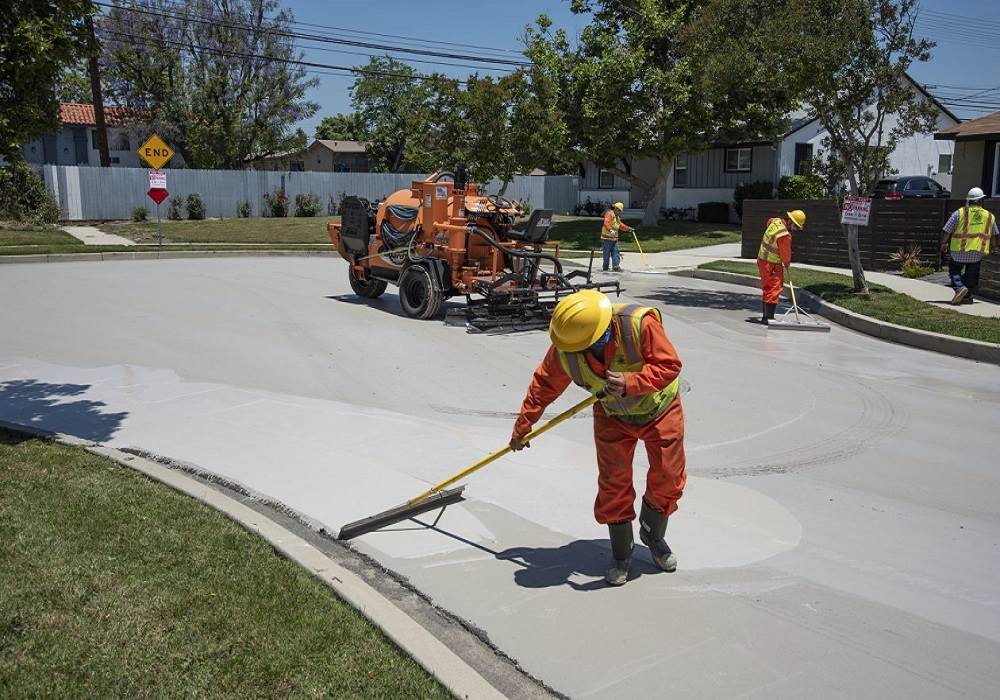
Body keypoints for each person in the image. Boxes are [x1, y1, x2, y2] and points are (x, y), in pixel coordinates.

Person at [509, 290, 685, 586]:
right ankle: (621, 553)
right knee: (613, 483)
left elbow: (670, 366)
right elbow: (544, 385)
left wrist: (632, 381)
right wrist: (524, 425)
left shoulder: (637, 325)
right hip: (612, 416)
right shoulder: (568, 344)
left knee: (668, 476)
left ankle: (652, 535)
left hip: (659, 410)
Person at [941, 187, 999, 305]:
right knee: (971, 275)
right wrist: (995, 247)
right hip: (978, 251)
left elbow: (947, 229)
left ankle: (959, 288)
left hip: (959, 250)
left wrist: (943, 243)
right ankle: (966, 297)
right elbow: (995, 234)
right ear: (981, 200)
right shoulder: (989, 216)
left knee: (954, 269)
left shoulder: (959, 213)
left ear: (969, 200)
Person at [755, 209, 806, 324]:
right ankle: (769, 318)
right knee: (774, 289)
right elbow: (785, 254)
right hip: (771, 264)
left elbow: (768, 222)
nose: (796, 230)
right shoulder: (784, 235)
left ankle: (765, 317)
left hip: (762, 260)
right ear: (791, 222)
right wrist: (787, 263)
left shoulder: (775, 221)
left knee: (767, 288)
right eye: (796, 227)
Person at [601, 202, 632, 272]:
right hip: (606, 238)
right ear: (615, 208)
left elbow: (620, 225)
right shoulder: (609, 214)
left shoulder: (617, 217)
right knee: (606, 253)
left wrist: (628, 228)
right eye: (619, 210)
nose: (619, 212)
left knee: (616, 252)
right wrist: (610, 230)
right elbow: (606, 223)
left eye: (620, 211)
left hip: (614, 239)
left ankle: (616, 267)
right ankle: (605, 267)